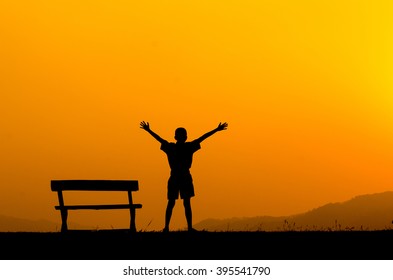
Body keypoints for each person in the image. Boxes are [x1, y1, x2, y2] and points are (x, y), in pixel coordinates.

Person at [140, 121, 228, 232]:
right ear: (185, 137)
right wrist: (216, 129)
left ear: (175, 137)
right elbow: (203, 137)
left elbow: (159, 139)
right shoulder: (188, 147)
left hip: (175, 177)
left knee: (172, 202)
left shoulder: (171, 147)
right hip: (184, 177)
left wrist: (148, 130)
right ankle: (188, 227)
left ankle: (167, 227)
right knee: (185, 203)